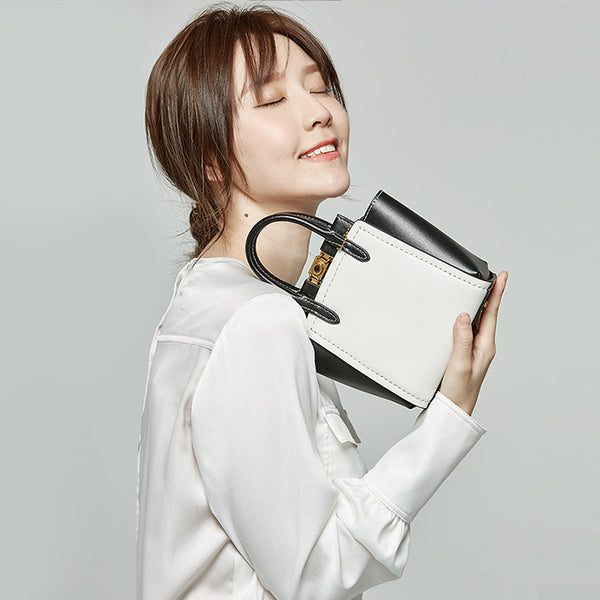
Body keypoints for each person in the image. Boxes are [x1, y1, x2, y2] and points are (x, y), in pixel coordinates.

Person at [137, 3, 509, 599]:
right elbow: (316, 577)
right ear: (209, 160)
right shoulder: (258, 320)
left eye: (320, 87)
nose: (318, 112)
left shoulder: (211, 300)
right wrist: (449, 418)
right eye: (272, 100)